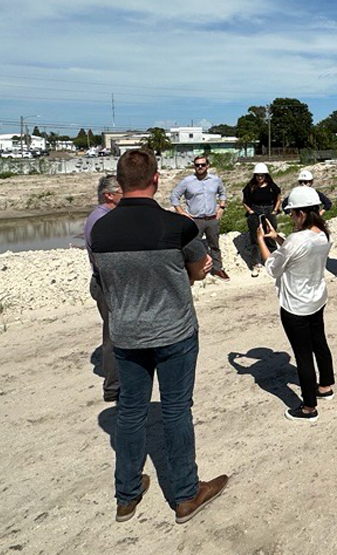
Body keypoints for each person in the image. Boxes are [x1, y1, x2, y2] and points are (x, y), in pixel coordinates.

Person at [89, 149, 227, 524]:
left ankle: (127, 495)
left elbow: (100, 282)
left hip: (128, 337)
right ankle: (185, 495)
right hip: (175, 333)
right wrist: (194, 271)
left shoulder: (99, 229)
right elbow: (198, 270)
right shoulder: (177, 226)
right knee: (176, 409)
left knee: (130, 412)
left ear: (119, 183)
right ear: (156, 179)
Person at [254, 185, 336, 422]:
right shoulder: (323, 234)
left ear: (301, 213)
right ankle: (325, 386)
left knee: (303, 355)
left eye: (291, 213)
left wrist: (261, 241)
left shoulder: (295, 240)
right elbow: (297, 250)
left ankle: (309, 407)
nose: (290, 217)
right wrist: (277, 238)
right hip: (316, 298)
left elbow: (272, 267)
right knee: (320, 343)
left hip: (295, 307)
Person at [84, 174, 122, 402]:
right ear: (109, 195)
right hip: (106, 284)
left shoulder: (108, 216)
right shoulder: (100, 221)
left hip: (108, 282)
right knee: (113, 336)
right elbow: (103, 261)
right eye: (122, 191)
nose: (126, 195)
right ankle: (113, 387)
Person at [170, 156, 230, 279]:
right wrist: (182, 212)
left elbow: (223, 193)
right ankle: (193, 272)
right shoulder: (187, 181)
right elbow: (174, 197)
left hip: (212, 219)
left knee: (214, 245)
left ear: (208, 165)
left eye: (203, 164)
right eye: (197, 165)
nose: (200, 167)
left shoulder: (215, 180)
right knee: (191, 246)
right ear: (194, 166)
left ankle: (217, 269)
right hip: (194, 220)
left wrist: (221, 208)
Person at [242, 163, 282, 277]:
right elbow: (244, 201)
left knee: (270, 236)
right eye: (257, 175)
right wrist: (250, 211)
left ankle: (274, 262)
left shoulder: (271, 187)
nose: (260, 178)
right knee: (255, 239)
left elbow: (278, 198)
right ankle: (256, 264)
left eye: (262, 175)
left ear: (266, 176)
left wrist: (275, 210)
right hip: (255, 211)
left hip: (269, 211)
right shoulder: (250, 187)